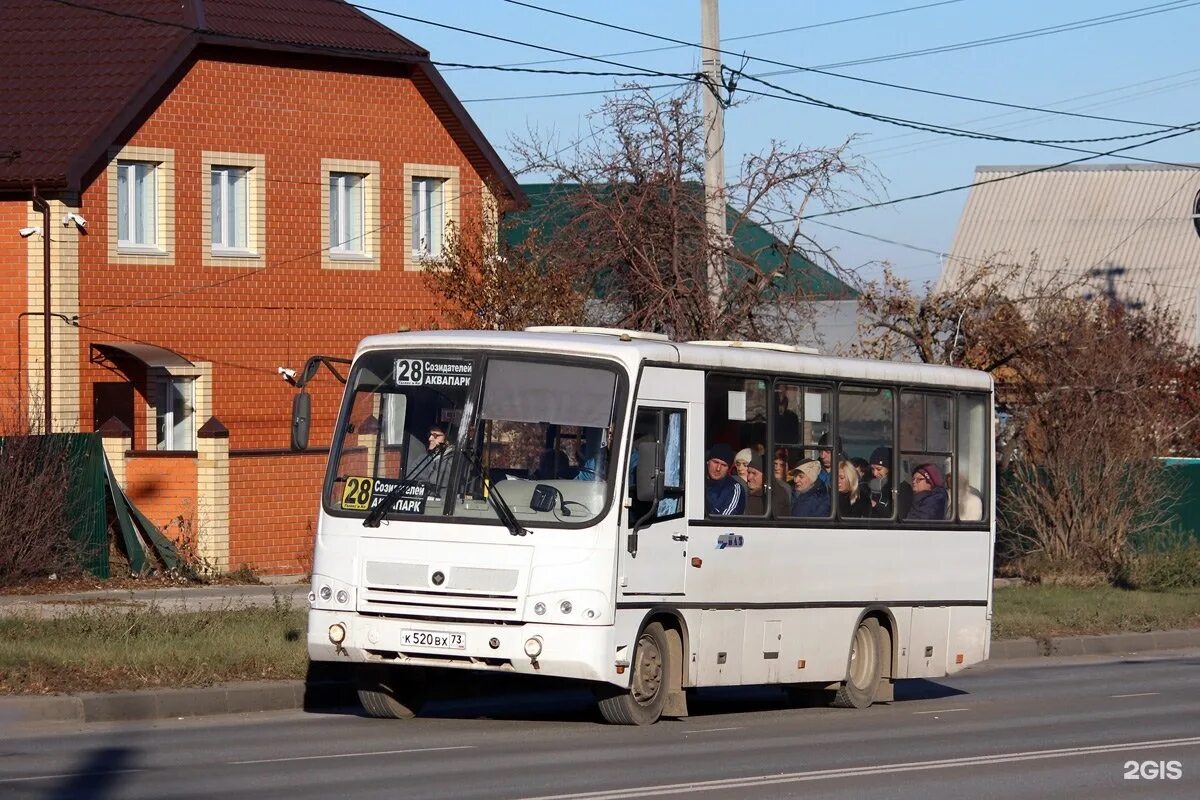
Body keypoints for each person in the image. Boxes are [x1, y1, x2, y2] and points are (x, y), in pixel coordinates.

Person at [867, 446, 911, 519]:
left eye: (879, 469)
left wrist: (875, 505)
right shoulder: (870, 484)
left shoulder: (903, 488)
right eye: (872, 469)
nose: (875, 473)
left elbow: (898, 515)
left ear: (890, 468)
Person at [409, 423, 454, 494]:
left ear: (447, 440)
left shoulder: (454, 462)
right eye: (430, 435)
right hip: (420, 501)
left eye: (435, 436)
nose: (430, 438)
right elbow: (410, 482)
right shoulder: (421, 459)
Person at [704, 443, 745, 515]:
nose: (718, 468)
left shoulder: (734, 488)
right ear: (708, 462)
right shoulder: (695, 481)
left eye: (724, 465)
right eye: (715, 462)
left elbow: (725, 520)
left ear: (728, 469)